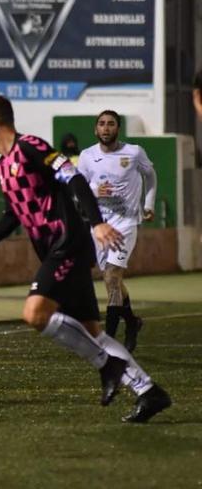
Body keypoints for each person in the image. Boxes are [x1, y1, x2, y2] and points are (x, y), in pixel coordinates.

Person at [0, 95, 171, 423]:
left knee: (35, 313)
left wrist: (97, 222)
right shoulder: (3, 167)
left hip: (67, 245)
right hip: (58, 251)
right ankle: (149, 392)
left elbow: (75, 178)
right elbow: (14, 213)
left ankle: (106, 365)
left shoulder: (31, 148)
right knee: (93, 331)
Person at [77, 110, 156, 353]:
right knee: (112, 282)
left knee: (112, 277)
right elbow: (77, 189)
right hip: (100, 226)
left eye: (111, 124)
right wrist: (93, 191)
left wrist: (148, 204)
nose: (106, 128)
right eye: (101, 124)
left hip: (126, 223)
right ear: (95, 129)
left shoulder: (134, 152)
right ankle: (132, 322)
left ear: (117, 129)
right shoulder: (87, 156)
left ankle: (108, 342)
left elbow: (150, 175)